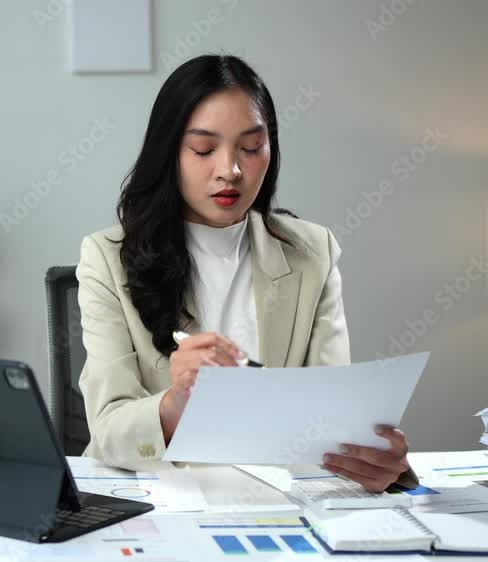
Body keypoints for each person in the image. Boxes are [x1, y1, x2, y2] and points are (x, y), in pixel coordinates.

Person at [76, 55, 416, 491]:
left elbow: (334, 419)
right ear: (169, 153)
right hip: (155, 499)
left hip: (278, 504)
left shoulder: (313, 252)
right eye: (203, 149)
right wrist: (176, 403)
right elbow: (107, 433)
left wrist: (380, 463)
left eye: (251, 147)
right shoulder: (106, 257)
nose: (230, 170)